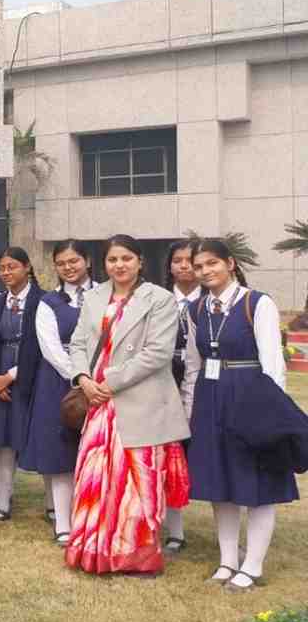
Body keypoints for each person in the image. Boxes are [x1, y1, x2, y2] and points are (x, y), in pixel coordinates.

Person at [65, 234, 190, 576]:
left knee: (138, 482)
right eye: (112, 260)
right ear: (103, 264)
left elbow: (158, 353)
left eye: (126, 259)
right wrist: (83, 379)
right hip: (97, 403)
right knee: (95, 478)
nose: (119, 265)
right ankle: (93, 549)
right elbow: (77, 343)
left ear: (140, 261)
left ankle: (134, 556)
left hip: (140, 401)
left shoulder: (159, 299)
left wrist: (110, 382)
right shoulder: (93, 298)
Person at [183, 238, 296, 591]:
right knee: (221, 483)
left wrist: (270, 413)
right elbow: (192, 364)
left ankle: (254, 564)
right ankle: (227, 560)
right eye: (199, 267)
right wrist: (190, 410)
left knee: (257, 482)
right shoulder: (196, 309)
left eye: (211, 263)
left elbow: (273, 363)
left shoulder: (256, 303)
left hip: (250, 395)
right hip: (210, 397)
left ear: (230, 264)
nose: (205, 271)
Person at [20, 240, 92, 545]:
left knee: (93, 453)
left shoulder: (105, 294)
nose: (68, 267)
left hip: (100, 382)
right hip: (60, 381)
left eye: (74, 261)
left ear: (87, 260)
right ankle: (63, 523)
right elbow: (50, 348)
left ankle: (90, 519)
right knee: (61, 453)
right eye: (62, 263)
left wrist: (94, 378)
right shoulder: (48, 302)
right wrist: (79, 376)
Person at [0, 247, 43, 521]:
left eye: (12, 267)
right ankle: (3, 503)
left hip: (32, 375)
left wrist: (11, 376)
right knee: (3, 443)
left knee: (39, 440)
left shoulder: (43, 301)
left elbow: (40, 346)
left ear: (27, 267)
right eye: (3, 268)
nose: (6, 273)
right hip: (0, 383)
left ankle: (54, 506)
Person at [161, 239, 200, 553]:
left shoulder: (211, 301)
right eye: (177, 260)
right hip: (163, 384)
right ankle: (174, 531)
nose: (184, 265)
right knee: (167, 456)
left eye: (190, 260)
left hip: (204, 384)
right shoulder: (158, 299)